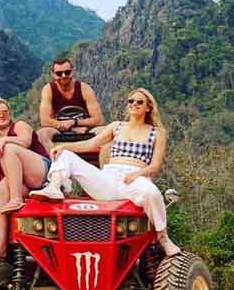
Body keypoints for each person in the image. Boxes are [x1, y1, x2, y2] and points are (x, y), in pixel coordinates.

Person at [30, 87, 180, 257]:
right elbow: (90, 144)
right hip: (109, 176)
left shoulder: (157, 133)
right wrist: (65, 147)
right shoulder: (117, 126)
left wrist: (137, 174)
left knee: (152, 193)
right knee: (65, 155)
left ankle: (163, 237)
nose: (134, 104)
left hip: (135, 176)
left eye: (140, 102)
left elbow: (155, 166)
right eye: (131, 101)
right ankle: (54, 187)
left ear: (148, 107)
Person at [0, 97, 51, 263]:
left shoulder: (19, 126)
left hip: (40, 173)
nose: (1, 116)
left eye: (5, 112)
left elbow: (25, 141)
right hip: (20, 183)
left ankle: (16, 198)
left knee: (8, 150)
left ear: (10, 114)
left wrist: (5, 139)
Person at [36, 56, 105, 150]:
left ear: (72, 71)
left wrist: (74, 122)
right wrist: (65, 126)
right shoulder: (49, 89)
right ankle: (55, 161)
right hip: (59, 128)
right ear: (53, 74)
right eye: (59, 73)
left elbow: (98, 120)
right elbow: (44, 120)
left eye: (67, 72)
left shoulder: (84, 88)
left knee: (105, 132)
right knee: (41, 134)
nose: (64, 76)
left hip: (85, 128)